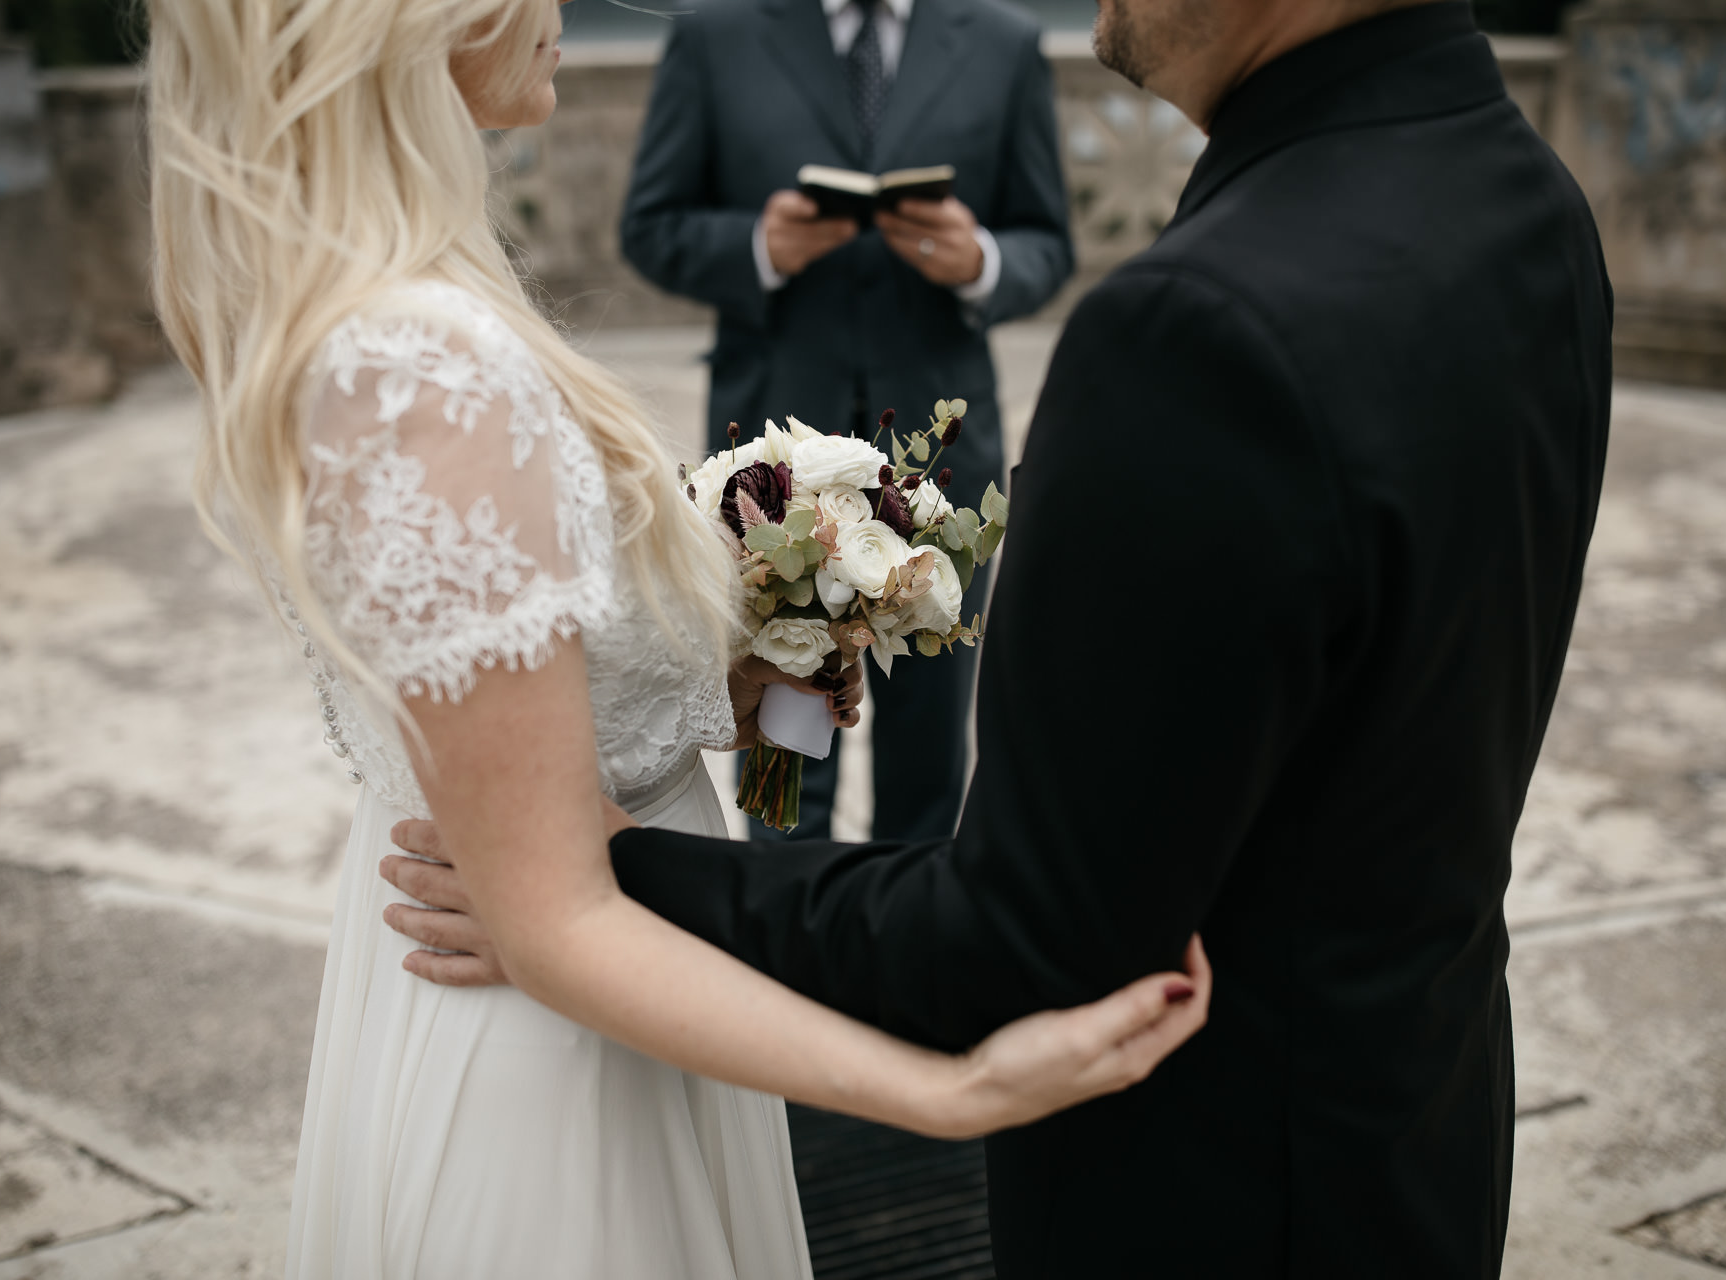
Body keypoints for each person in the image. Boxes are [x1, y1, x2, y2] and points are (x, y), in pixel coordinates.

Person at [382, 0, 1615, 1274]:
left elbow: (1020, 935)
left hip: (1219, 1185)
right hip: (1416, 1121)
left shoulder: (1198, 330)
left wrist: (607, 880)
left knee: (928, 772)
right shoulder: (1521, 191)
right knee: (793, 785)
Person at [143, 0, 1211, 1275]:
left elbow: (513, 674)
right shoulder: (432, 366)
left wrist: (721, 677)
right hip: (555, 1040)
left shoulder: (373, 309)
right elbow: (556, 920)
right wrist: (955, 1087)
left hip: (557, 984)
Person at [620, 0, 1075, 840]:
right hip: (769, 459)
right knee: (780, 721)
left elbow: (1048, 244)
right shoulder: (713, 36)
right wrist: (757, 248)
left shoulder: (1005, 43)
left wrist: (981, 262)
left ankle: (915, 910)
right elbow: (649, 226)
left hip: (940, 454)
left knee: (931, 739)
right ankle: (780, 910)